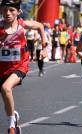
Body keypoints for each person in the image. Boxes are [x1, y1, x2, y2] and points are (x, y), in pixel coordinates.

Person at [0, 0, 47, 133]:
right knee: (6, 97)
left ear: (18, 12)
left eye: (11, 10)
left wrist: (44, 47)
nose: (7, 13)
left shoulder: (22, 24)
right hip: (2, 68)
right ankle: (13, 116)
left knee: (6, 88)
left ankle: (11, 127)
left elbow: (40, 26)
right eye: (4, 10)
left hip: (20, 66)